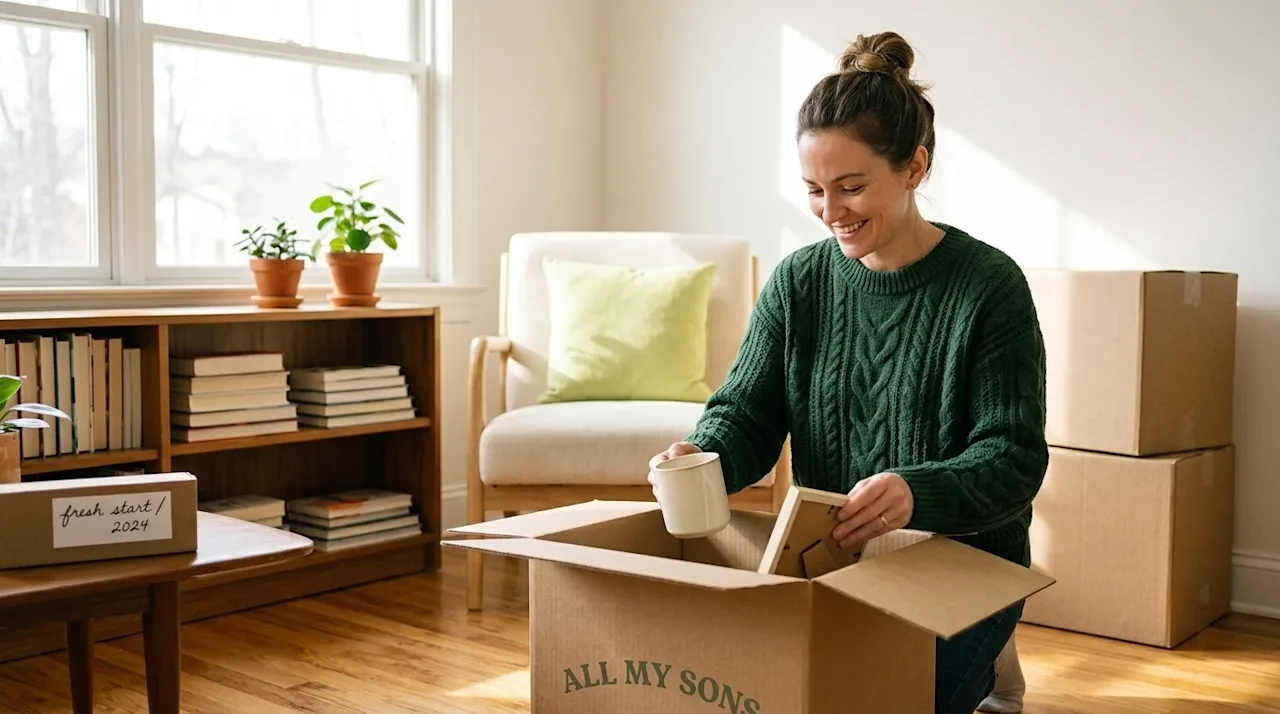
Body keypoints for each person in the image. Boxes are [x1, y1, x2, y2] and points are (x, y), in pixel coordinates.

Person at [649, 30, 1046, 714]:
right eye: (813, 191)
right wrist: (705, 452)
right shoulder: (799, 282)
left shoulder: (988, 286)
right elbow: (748, 411)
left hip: (961, 566)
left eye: (852, 187)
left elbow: (1013, 458)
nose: (831, 213)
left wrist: (915, 491)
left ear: (915, 167)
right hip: (834, 564)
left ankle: (988, 654)